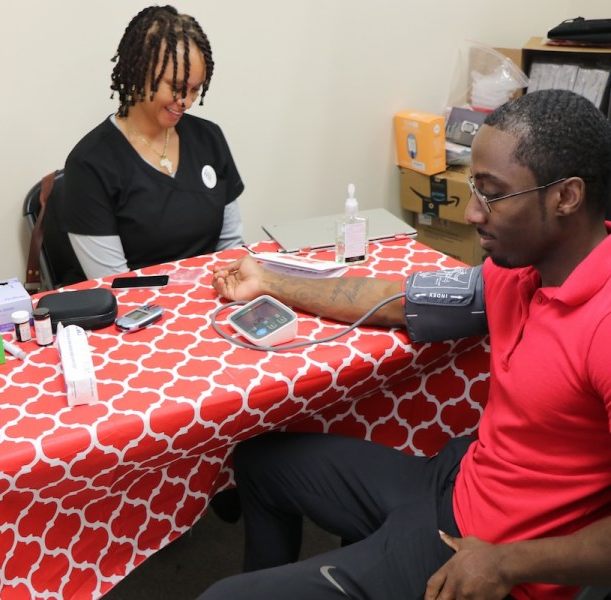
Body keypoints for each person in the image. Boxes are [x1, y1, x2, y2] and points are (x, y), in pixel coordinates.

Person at [199, 89, 611, 600]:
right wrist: (268, 281)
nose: (470, 213)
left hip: (486, 554)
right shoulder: (519, 271)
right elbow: (393, 299)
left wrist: (505, 563)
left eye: (492, 193)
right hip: (457, 482)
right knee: (259, 462)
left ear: (566, 197)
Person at [55, 5, 245, 280]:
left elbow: (231, 249)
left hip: (213, 300)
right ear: (139, 72)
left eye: (195, 90)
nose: (186, 101)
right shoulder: (90, 164)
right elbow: (114, 284)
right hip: (139, 313)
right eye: (176, 87)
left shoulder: (209, 138)